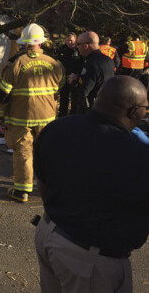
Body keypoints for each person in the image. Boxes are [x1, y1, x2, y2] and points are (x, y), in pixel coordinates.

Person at [34, 76, 149, 293]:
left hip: (50, 234)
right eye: (145, 108)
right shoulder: (138, 155)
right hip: (90, 261)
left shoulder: (57, 129)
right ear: (134, 112)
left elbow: (44, 184)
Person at [0, 23, 64, 203]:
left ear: (23, 43)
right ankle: (50, 187)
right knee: (46, 151)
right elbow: (60, 87)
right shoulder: (54, 63)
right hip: (47, 117)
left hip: (20, 117)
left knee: (23, 152)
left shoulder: (16, 63)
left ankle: (22, 190)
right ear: (41, 42)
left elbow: (3, 94)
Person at [69, 32, 115, 114]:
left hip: (93, 109)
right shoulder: (108, 60)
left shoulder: (91, 63)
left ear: (86, 46)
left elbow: (83, 91)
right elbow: (98, 78)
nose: (77, 47)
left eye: (78, 44)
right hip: (107, 105)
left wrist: (74, 81)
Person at [55, 33, 82, 117]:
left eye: (71, 40)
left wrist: (77, 75)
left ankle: (73, 115)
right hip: (64, 77)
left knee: (74, 98)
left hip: (75, 78)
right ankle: (62, 115)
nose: (69, 42)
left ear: (75, 40)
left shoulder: (79, 50)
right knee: (63, 97)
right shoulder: (62, 50)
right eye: (67, 40)